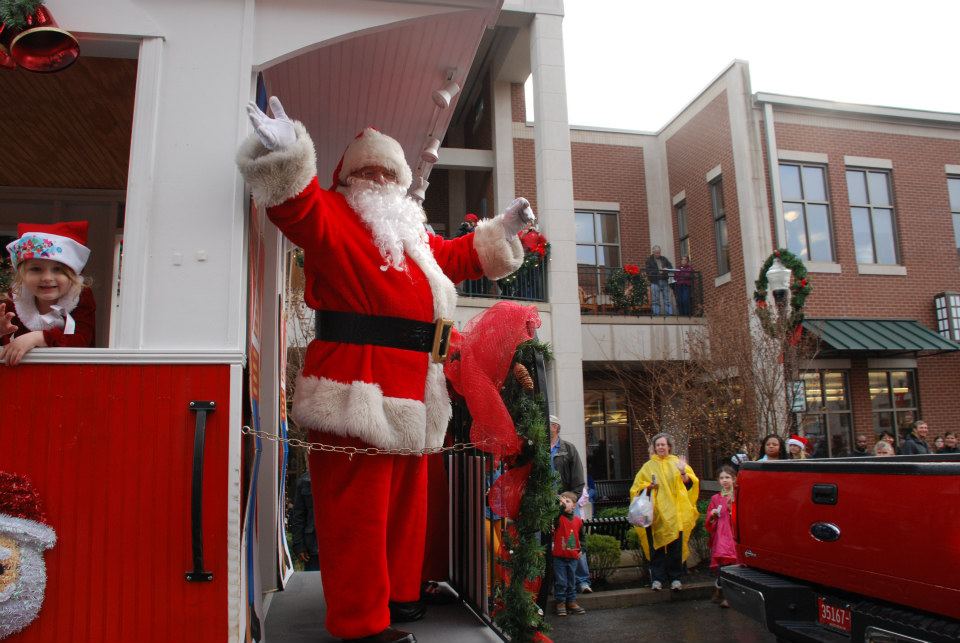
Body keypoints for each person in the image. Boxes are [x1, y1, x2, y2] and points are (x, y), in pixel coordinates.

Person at [238, 97, 531, 643]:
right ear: (346, 178)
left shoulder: (411, 234)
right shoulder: (333, 213)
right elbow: (295, 208)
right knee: (358, 516)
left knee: (402, 508)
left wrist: (503, 231)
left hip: (415, 393)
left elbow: (459, 256)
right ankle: (359, 624)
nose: (377, 179)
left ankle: (399, 597)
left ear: (401, 181)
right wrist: (286, 153)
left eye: (387, 171)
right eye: (366, 170)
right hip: (357, 388)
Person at [1, 221, 96, 366]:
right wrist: (1, 332)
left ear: (73, 275)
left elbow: (82, 341)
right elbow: (8, 348)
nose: (47, 278)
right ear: (22, 276)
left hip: (69, 378)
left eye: (58, 270)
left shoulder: (81, 296)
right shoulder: (14, 298)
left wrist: (38, 337)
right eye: (36, 269)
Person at [629, 432, 699, 591]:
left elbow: (690, 485)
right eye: (658, 445)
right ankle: (657, 579)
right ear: (654, 447)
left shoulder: (677, 463)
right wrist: (648, 487)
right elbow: (636, 489)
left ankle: (675, 578)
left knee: (675, 547)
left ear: (669, 446)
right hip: (655, 515)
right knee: (656, 548)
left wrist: (683, 472)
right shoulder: (647, 466)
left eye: (663, 444)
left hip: (675, 513)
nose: (660, 447)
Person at [548, 415, 592, 594]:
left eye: (548, 425)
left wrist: (569, 501)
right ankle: (554, 583)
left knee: (573, 542)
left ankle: (582, 581)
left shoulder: (569, 449)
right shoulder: (539, 449)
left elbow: (578, 481)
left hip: (566, 504)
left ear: (556, 427)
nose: (545, 427)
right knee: (550, 544)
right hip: (546, 504)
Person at [705, 466, 738, 608]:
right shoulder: (715, 498)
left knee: (736, 566)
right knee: (723, 566)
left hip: (735, 535)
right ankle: (722, 590)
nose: (724, 480)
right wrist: (712, 516)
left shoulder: (737, 496)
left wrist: (732, 509)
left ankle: (728, 595)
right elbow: (709, 522)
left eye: (727, 477)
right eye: (722, 478)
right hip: (721, 537)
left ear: (734, 479)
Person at [552, 492, 587, 617]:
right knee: (561, 581)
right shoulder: (558, 518)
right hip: (559, 556)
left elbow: (582, 538)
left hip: (573, 557)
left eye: (567, 501)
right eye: (561, 502)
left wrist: (582, 549)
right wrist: (559, 506)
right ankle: (560, 602)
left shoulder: (578, 521)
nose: (563, 504)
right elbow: (556, 515)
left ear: (574, 506)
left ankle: (571, 601)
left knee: (572, 580)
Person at [288, 469, 319, 571]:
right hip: (313, 547)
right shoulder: (305, 481)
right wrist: (299, 545)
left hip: (339, 547)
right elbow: (298, 515)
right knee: (313, 582)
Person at [644, 245, 674, 316]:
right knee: (655, 300)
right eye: (657, 253)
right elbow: (648, 271)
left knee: (667, 299)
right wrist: (658, 272)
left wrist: (666, 268)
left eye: (659, 252)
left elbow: (670, 267)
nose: (658, 254)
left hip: (664, 280)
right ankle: (656, 314)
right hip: (655, 281)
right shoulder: (649, 260)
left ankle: (669, 314)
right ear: (653, 252)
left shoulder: (664, 259)